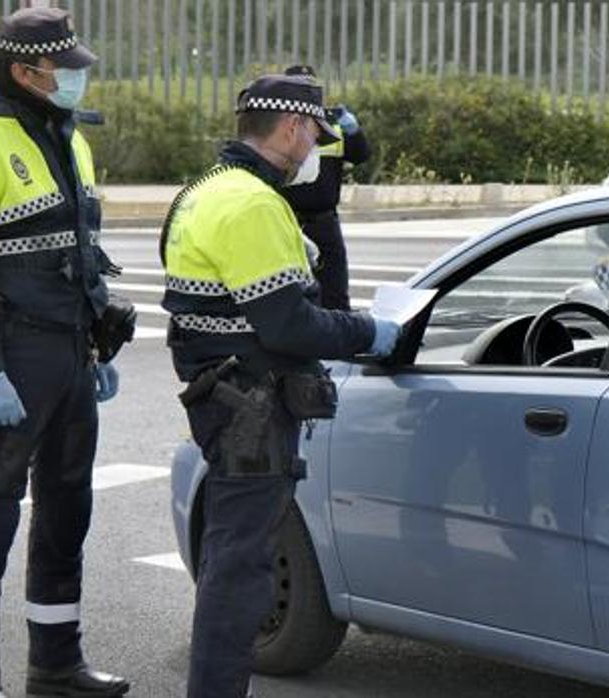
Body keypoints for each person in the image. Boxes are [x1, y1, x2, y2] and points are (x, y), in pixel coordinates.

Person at [159, 73, 400, 697]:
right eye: (315, 133)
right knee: (241, 572)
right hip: (253, 403)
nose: (316, 147)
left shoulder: (202, 190)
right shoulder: (255, 204)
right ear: (292, 127)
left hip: (221, 394)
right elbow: (288, 323)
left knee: (231, 560)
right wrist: (372, 330)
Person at [0, 7, 132, 697]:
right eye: (63, 70)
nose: (75, 80)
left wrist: (99, 343)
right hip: (14, 356)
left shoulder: (72, 143)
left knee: (67, 513)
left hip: (71, 353)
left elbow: (84, 254)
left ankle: (57, 664)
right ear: (23, 72)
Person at [278, 64, 372, 311]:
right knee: (288, 294)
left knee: (335, 295)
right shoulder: (275, 125)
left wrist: (354, 132)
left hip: (324, 222)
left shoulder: (333, 124)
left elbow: (361, 155)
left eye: (309, 87)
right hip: (286, 222)